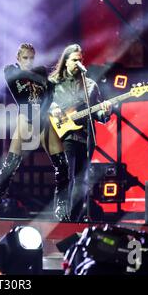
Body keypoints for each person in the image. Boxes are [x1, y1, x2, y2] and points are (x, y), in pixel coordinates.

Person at [0, 43, 70, 220]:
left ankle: (61, 210)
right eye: (25, 58)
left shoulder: (40, 73)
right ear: (18, 58)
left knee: (62, 164)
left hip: (42, 118)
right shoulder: (11, 70)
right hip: (25, 117)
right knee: (10, 164)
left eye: (32, 58)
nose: (29, 61)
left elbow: (49, 95)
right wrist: (42, 78)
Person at [48, 44, 112, 222]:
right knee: (66, 176)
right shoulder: (54, 83)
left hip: (85, 136)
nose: (78, 63)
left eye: (80, 60)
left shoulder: (90, 85)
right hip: (63, 136)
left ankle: (75, 219)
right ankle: (61, 217)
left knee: (81, 180)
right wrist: (53, 108)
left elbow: (97, 113)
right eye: (75, 60)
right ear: (66, 61)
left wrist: (105, 111)